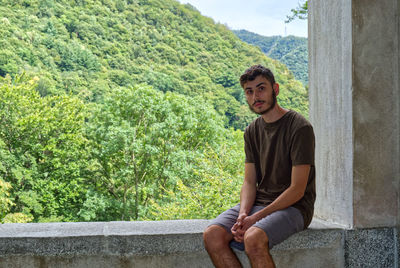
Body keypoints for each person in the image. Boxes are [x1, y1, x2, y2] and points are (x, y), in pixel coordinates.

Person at [203, 65, 315, 268]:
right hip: (259, 203)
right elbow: (249, 181)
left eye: (261, 88)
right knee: (212, 235)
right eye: (249, 91)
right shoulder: (251, 131)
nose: (256, 96)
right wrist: (243, 215)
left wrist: (256, 218)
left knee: (253, 239)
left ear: (276, 89)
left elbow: (297, 190)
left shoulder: (299, 127)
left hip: (295, 207)